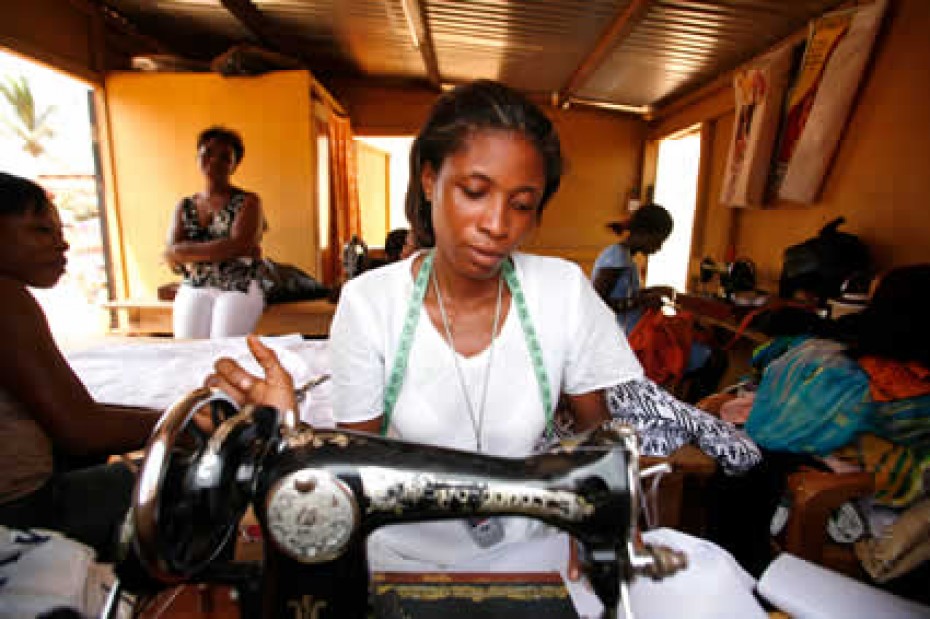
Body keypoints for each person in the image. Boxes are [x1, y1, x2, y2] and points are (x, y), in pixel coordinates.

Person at [208, 81, 765, 616]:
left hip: (536, 545)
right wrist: (290, 429)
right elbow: (359, 460)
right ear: (429, 179)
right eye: (474, 192)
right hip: (400, 555)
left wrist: (595, 517)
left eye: (522, 204)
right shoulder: (370, 303)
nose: (498, 225)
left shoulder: (561, 292)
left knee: (703, 586)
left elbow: (598, 441)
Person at [0, 172, 164, 560]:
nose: (63, 243)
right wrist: (181, 426)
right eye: (41, 230)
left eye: (58, 230)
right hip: (21, 513)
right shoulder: (6, 300)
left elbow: (76, 418)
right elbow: (82, 429)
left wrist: (168, 417)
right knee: (196, 475)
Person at [165, 126, 266, 339]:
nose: (214, 161)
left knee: (223, 350)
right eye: (208, 153)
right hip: (196, 284)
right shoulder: (185, 205)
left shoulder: (249, 201)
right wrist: (223, 248)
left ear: (234, 165)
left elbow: (241, 245)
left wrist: (188, 251)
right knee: (187, 349)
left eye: (224, 157)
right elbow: (172, 254)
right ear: (198, 157)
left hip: (239, 285)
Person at [591, 203, 675, 334]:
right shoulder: (616, 256)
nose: (659, 248)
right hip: (615, 338)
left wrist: (650, 292)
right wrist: (640, 302)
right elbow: (596, 303)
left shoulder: (627, 259)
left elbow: (623, 294)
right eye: (658, 241)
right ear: (644, 233)